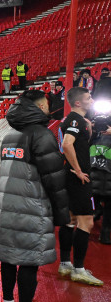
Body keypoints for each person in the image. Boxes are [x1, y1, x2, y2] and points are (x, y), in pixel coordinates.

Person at [0, 90, 69, 302]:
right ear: (40, 106)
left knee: (8, 256)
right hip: (31, 207)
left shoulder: (10, 135)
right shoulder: (42, 135)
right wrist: (62, 215)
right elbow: (54, 180)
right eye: (47, 104)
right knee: (28, 261)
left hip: (8, 208)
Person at [58, 87, 103, 286]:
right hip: (79, 178)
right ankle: (79, 269)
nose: (92, 99)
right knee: (86, 223)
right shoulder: (75, 120)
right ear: (78, 103)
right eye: (88, 97)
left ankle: (66, 264)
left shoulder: (78, 121)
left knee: (71, 219)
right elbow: (67, 144)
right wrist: (77, 170)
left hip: (72, 177)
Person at [89, 115, 111, 245]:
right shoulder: (92, 136)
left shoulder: (93, 138)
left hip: (95, 180)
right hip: (99, 180)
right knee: (107, 209)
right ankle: (105, 235)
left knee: (94, 205)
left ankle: (86, 231)